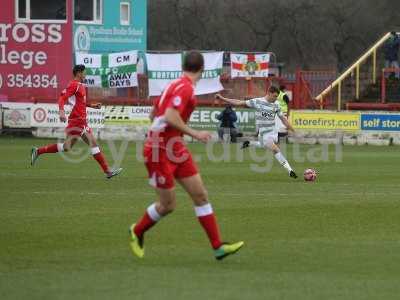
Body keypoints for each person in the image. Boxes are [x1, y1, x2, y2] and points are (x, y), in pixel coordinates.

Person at [129, 51, 244, 260]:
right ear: (202, 69)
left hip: (175, 148)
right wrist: (195, 133)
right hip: (159, 151)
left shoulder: (173, 85)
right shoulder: (186, 89)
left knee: (200, 195)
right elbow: (170, 115)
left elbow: (153, 114)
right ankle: (137, 231)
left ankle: (218, 246)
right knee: (168, 205)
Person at [30, 65, 123, 179]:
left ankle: (38, 151)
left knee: (67, 147)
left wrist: (92, 106)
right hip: (78, 121)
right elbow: (62, 98)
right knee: (93, 144)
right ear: (79, 73)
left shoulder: (80, 86)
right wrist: (61, 111)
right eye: (84, 72)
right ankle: (108, 171)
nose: (85, 75)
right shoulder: (74, 85)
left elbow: (80, 102)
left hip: (77, 121)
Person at [216, 86, 298, 179]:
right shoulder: (257, 102)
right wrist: (222, 98)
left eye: (277, 97)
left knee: (267, 146)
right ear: (269, 93)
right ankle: (290, 170)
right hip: (263, 133)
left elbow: (283, 119)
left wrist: (293, 130)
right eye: (274, 96)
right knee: (274, 149)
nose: (275, 98)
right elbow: (238, 102)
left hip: (273, 131)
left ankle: (250, 143)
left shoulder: (276, 104)